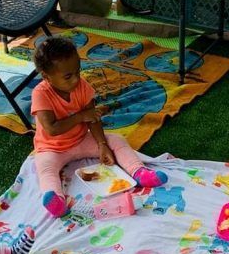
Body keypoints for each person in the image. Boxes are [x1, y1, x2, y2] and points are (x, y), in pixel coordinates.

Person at [31, 37, 167, 217]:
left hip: (80, 140)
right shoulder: (40, 93)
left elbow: (93, 119)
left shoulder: (82, 86)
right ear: (46, 77)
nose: (75, 79)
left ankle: (139, 172)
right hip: (51, 148)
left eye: (77, 72)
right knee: (45, 168)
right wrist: (80, 116)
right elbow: (52, 129)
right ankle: (56, 199)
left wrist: (102, 145)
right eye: (68, 76)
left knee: (116, 140)